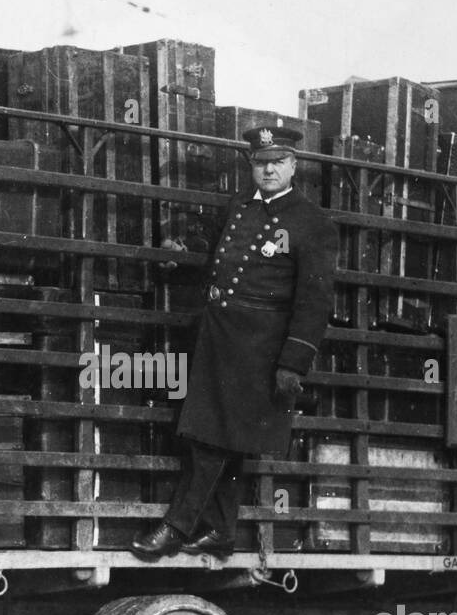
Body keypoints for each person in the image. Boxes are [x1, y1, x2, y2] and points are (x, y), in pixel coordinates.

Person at [132, 125, 335, 559]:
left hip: (261, 349)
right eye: (261, 163)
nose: (269, 170)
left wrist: (293, 363)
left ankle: (176, 525)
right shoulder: (238, 205)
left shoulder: (311, 221)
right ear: (251, 165)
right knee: (222, 435)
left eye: (277, 162)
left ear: (294, 166)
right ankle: (222, 531)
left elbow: (314, 300)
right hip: (219, 336)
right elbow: (220, 251)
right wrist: (182, 246)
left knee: (210, 438)